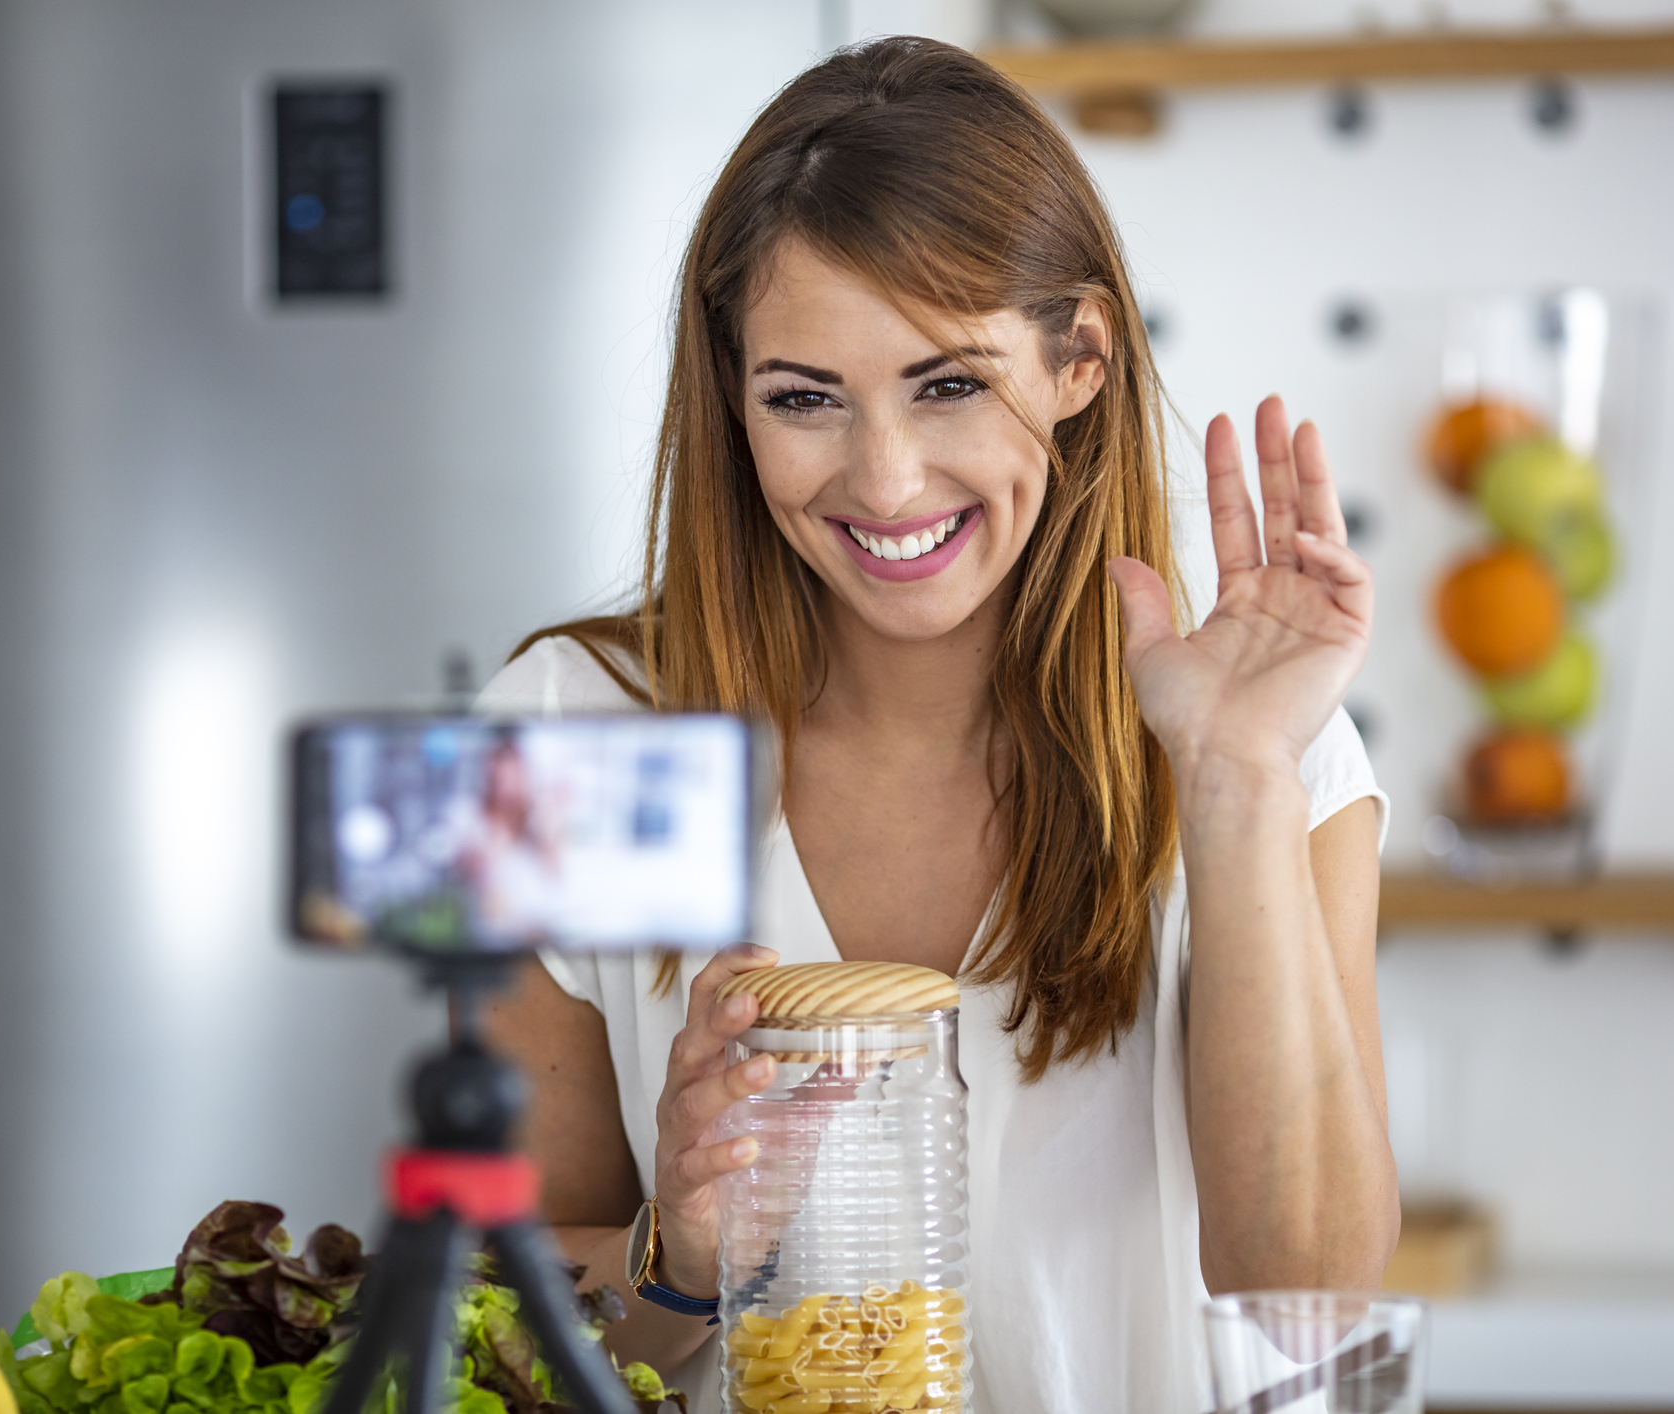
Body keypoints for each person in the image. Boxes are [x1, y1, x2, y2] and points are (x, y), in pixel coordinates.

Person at [478, 36, 1397, 1414]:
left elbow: (1312, 1291)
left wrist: (1234, 782)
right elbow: (486, 1335)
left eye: (948, 382)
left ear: (1078, 357)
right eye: (802, 398)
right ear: (730, 402)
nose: (884, 477)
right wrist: (679, 1257)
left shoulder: (1263, 744)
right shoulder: (564, 737)